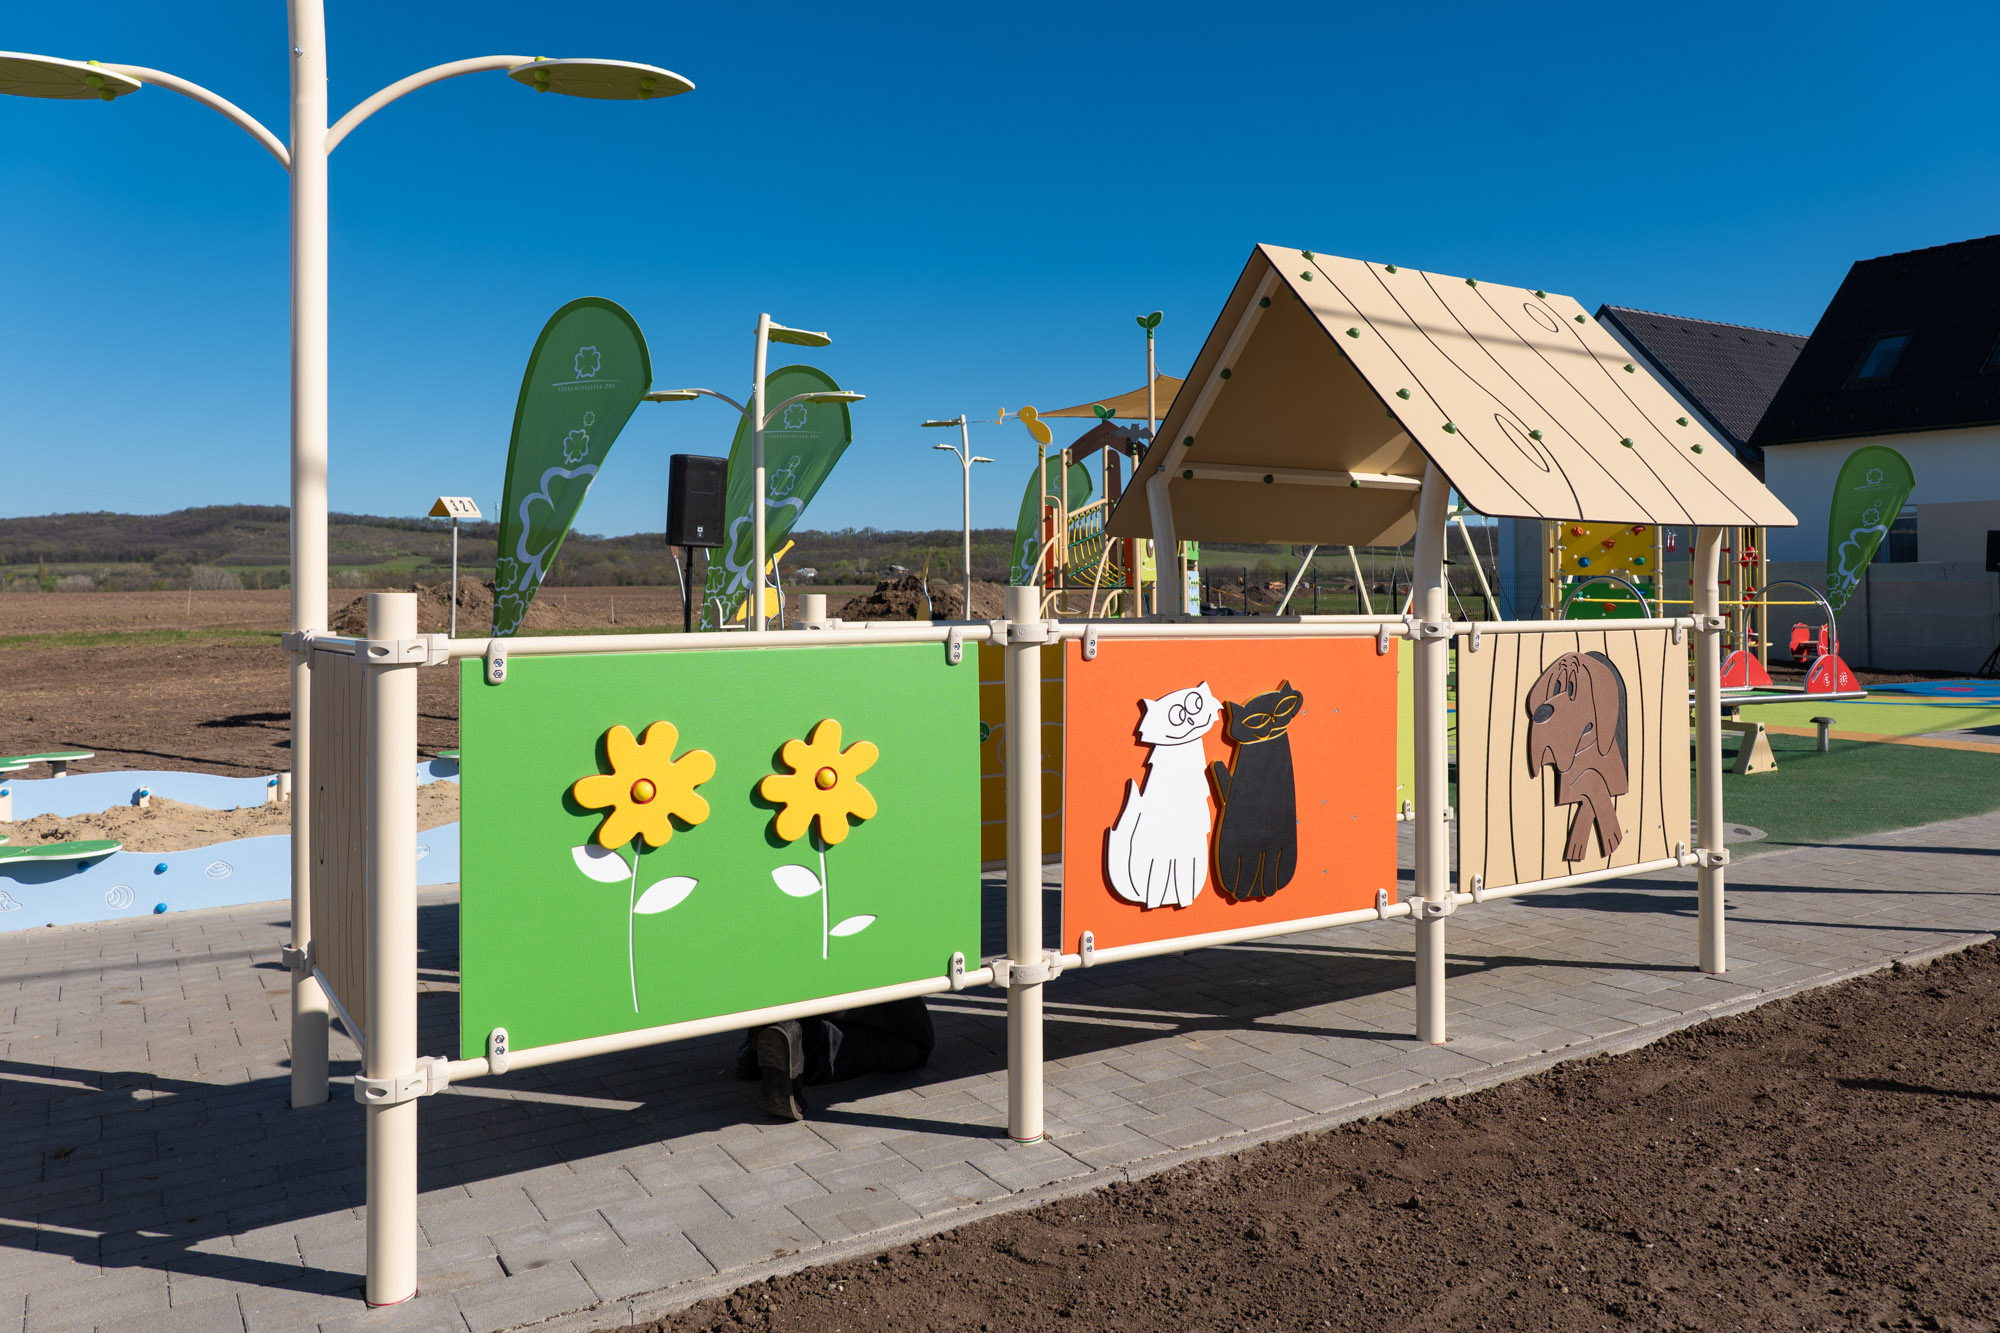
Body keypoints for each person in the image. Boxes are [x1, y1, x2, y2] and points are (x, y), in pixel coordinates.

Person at [733, 998, 935, 1121]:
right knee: (918, 1045)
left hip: (782, 976)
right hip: (850, 968)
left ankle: (765, 1037)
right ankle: (803, 1051)